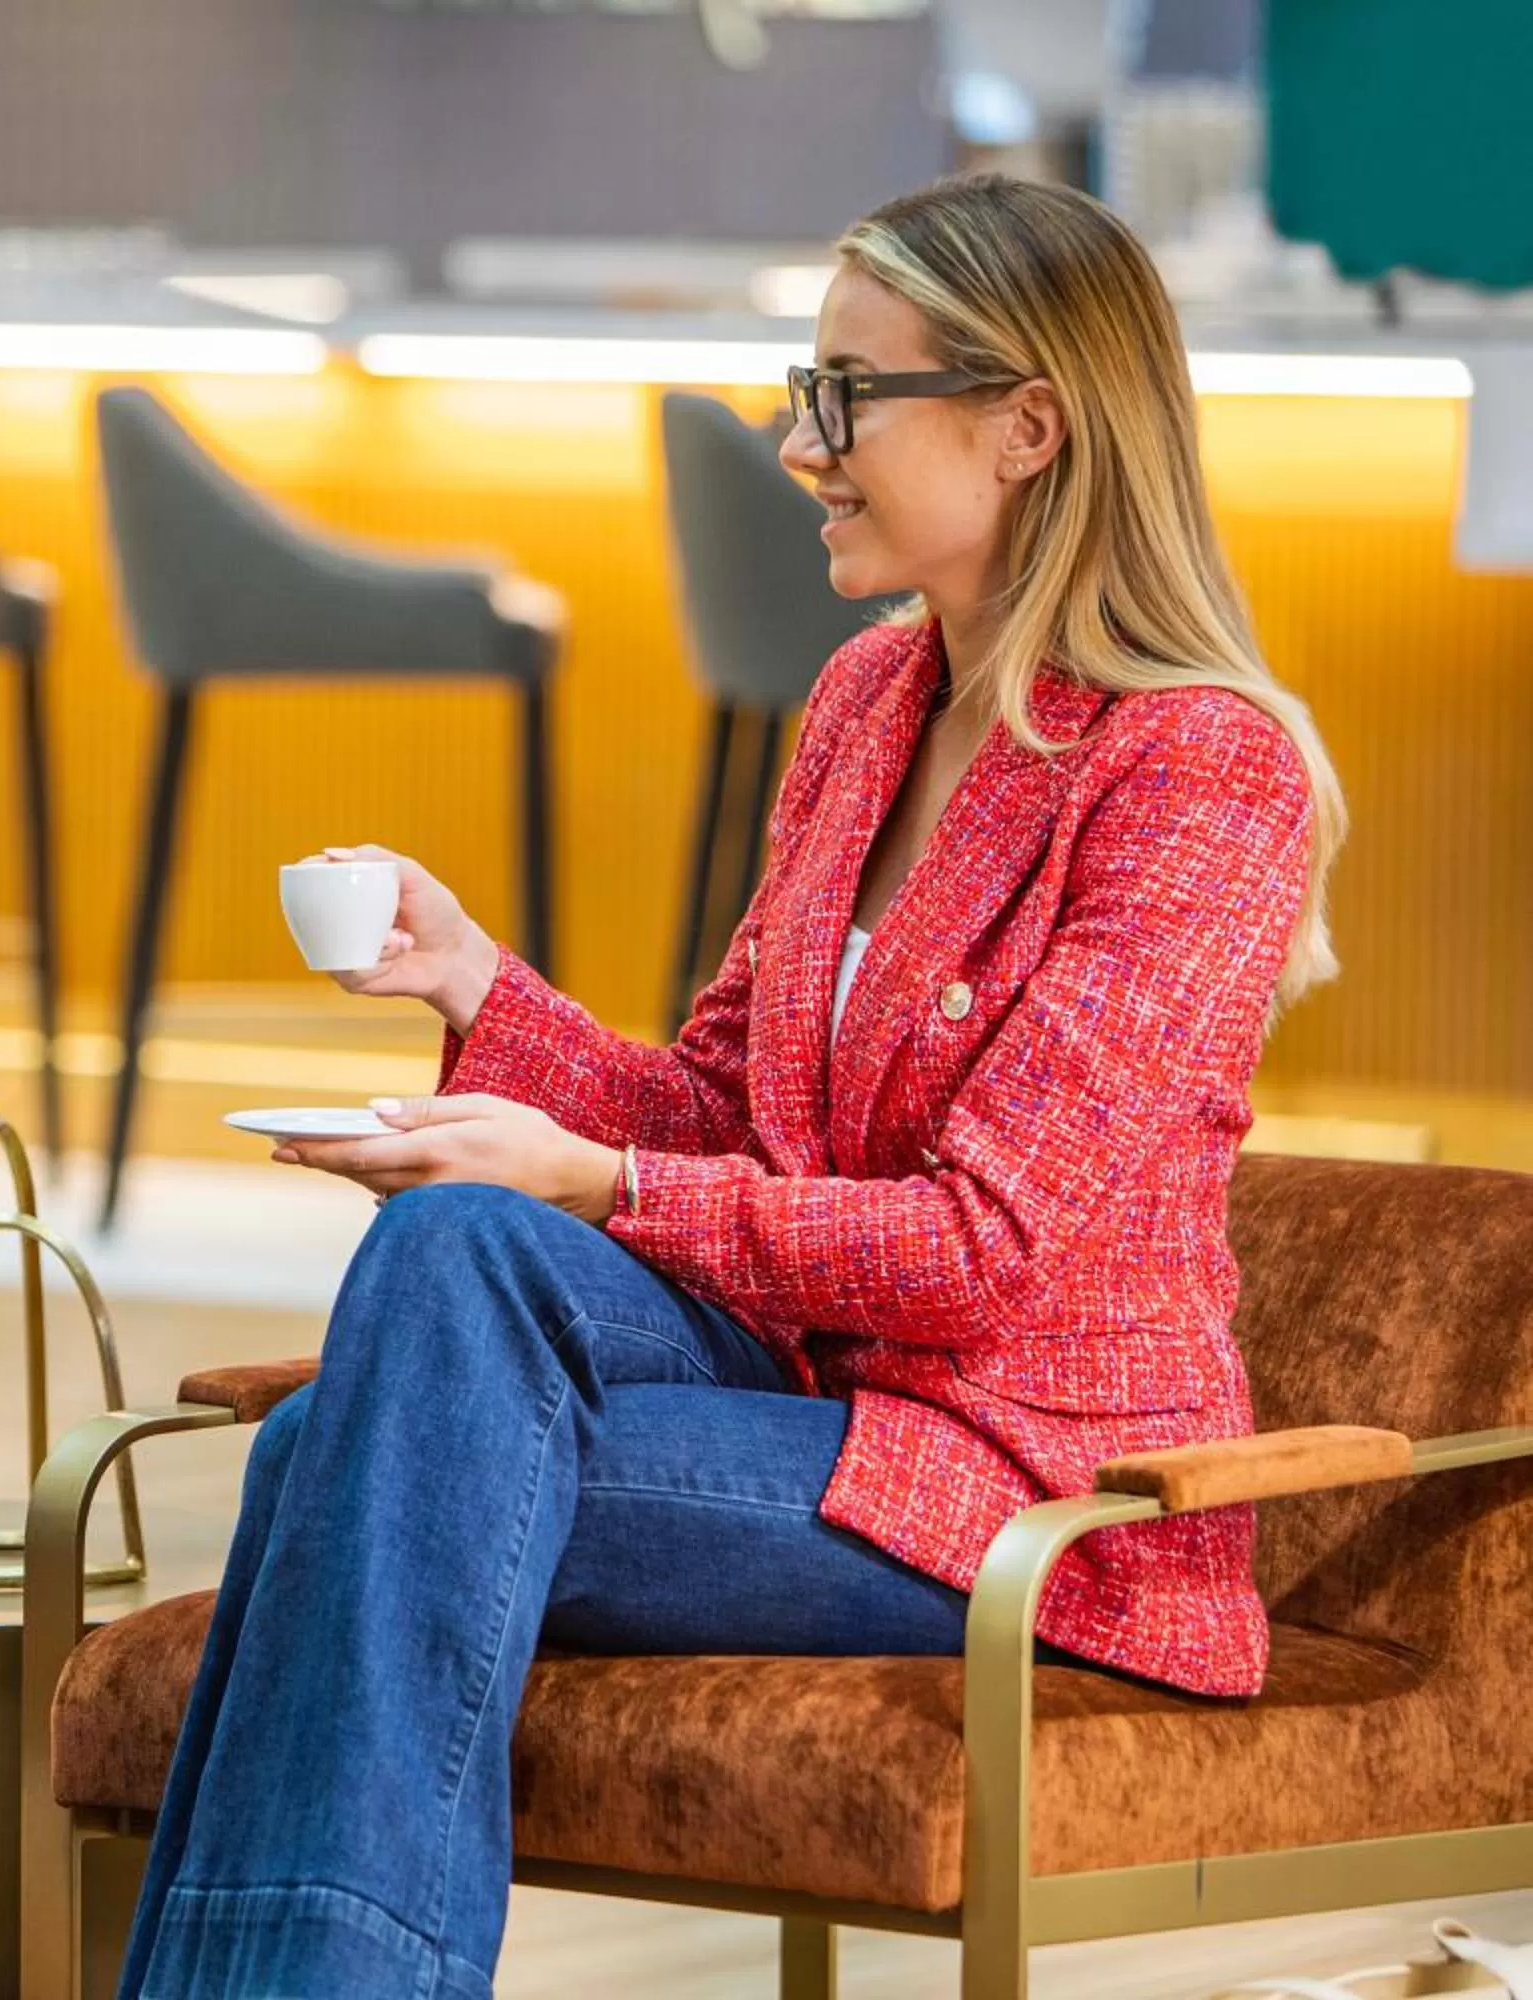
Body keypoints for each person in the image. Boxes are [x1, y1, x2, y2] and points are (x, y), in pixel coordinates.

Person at [119, 172, 1351, 1999]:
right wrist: (477, 992)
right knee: (454, 1265)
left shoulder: (1197, 775)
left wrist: (590, 1188)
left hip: (1020, 1499)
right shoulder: (868, 704)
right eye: (806, 388)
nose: (799, 444)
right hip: (796, 1402)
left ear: (1029, 426)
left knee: (336, 1447)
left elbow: (983, 1247)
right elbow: (723, 1116)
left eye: (848, 396)